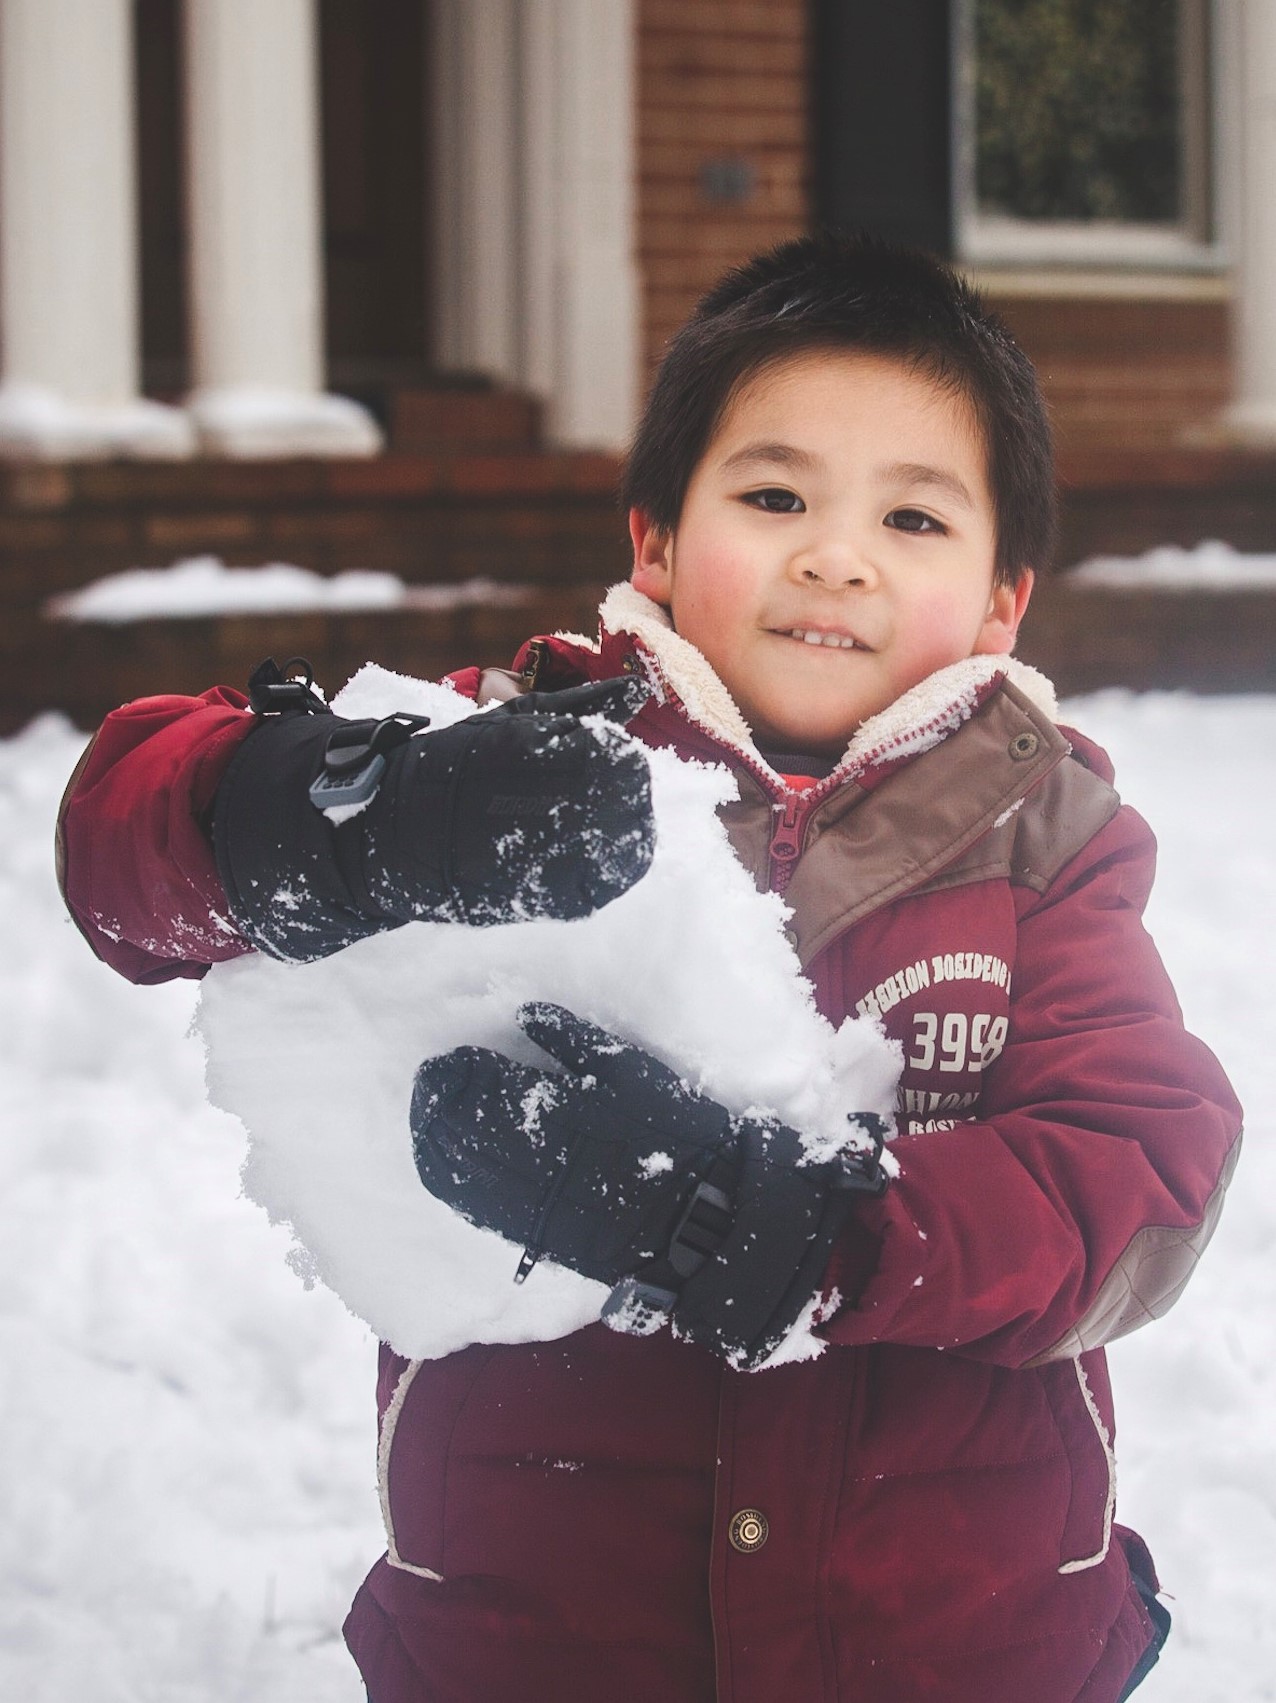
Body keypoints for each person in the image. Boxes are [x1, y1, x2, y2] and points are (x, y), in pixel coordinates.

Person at [58, 233, 1241, 1703]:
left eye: (914, 517)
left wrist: (805, 1232)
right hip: (552, 1632)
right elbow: (118, 863)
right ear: (659, 543)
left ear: (1003, 598)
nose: (836, 555)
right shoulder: (504, 763)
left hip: (951, 1631)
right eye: (775, 496)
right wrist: (330, 818)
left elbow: (1137, 1168)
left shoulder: (1045, 840)